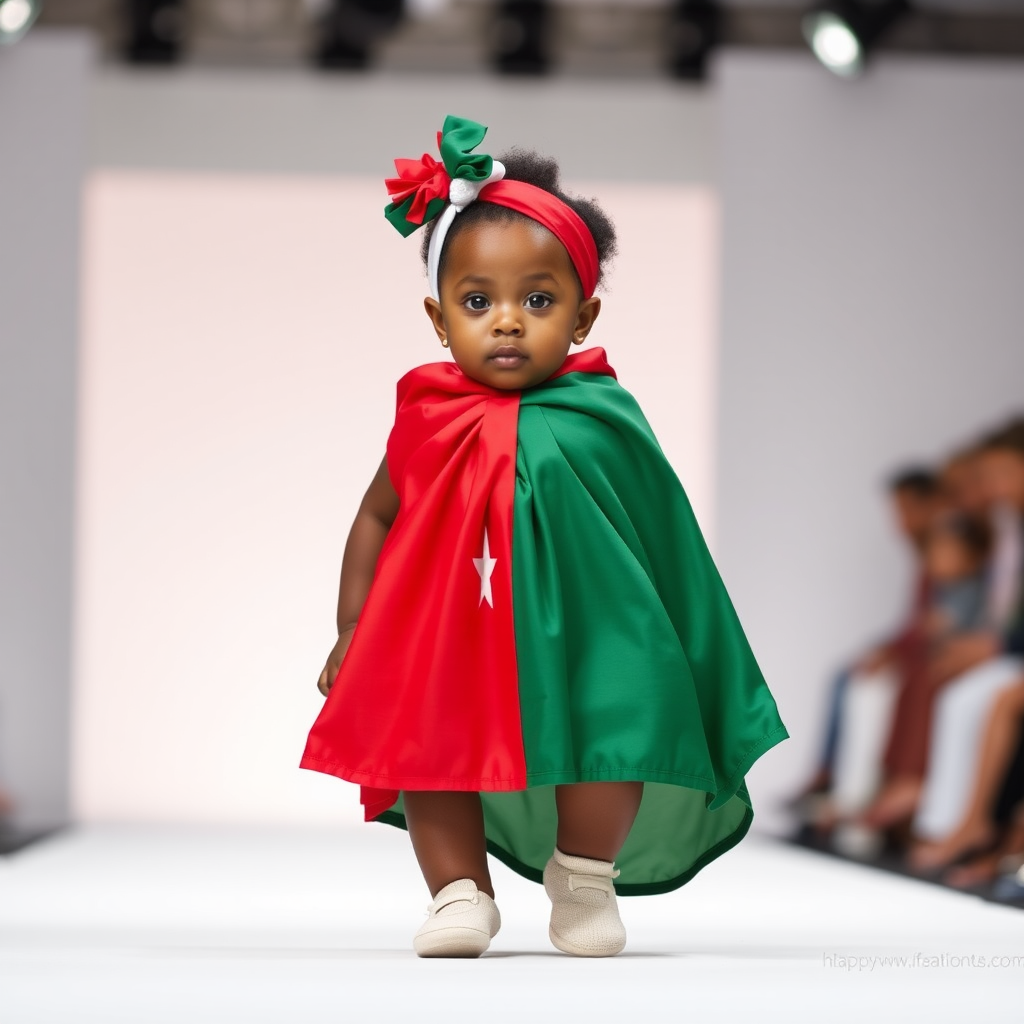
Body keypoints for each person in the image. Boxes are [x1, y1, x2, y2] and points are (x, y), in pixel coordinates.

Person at [299, 116, 788, 959]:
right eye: (477, 301)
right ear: (438, 316)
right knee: (433, 748)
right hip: (448, 630)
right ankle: (458, 894)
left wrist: (673, 629)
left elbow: (659, 532)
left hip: (594, 629)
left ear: (584, 312)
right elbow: (378, 515)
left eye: (538, 299)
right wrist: (352, 625)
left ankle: (585, 876)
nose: (508, 322)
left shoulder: (605, 418)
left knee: (615, 733)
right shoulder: (424, 418)